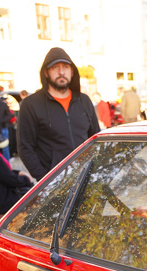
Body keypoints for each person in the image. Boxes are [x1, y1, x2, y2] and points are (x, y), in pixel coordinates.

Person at [18, 47, 100, 182]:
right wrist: (46, 180)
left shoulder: (84, 101)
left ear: (72, 71)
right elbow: (25, 148)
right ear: (46, 72)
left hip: (86, 180)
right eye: (55, 67)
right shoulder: (31, 105)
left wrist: (95, 170)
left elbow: (95, 138)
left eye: (65, 67)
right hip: (55, 185)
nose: (61, 72)